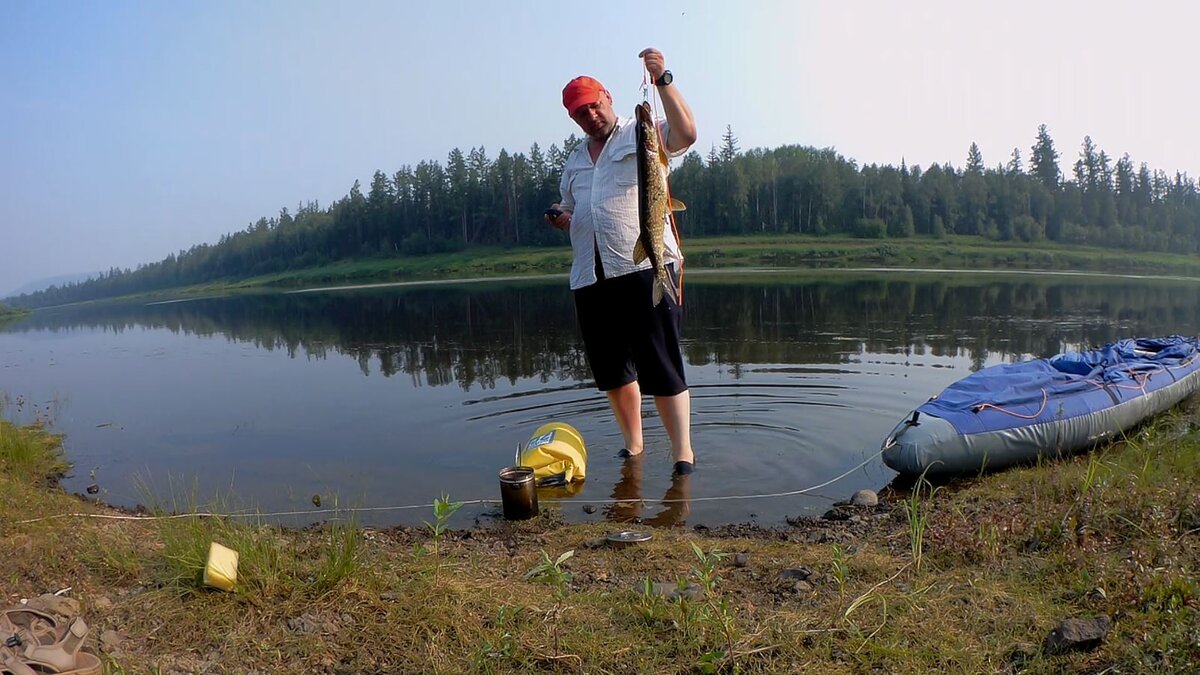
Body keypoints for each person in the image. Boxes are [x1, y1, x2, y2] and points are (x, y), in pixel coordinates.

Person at [545, 48, 698, 475]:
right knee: (612, 368)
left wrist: (663, 79)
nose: (590, 115)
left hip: (646, 266)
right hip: (590, 276)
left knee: (661, 362)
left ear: (608, 98)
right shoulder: (574, 160)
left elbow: (686, 134)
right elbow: (574, 205)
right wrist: (563, 216)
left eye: (594, 105)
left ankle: (682, 453)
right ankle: (634, 446)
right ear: (573, 118)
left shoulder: (643, 133)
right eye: (580, 112)